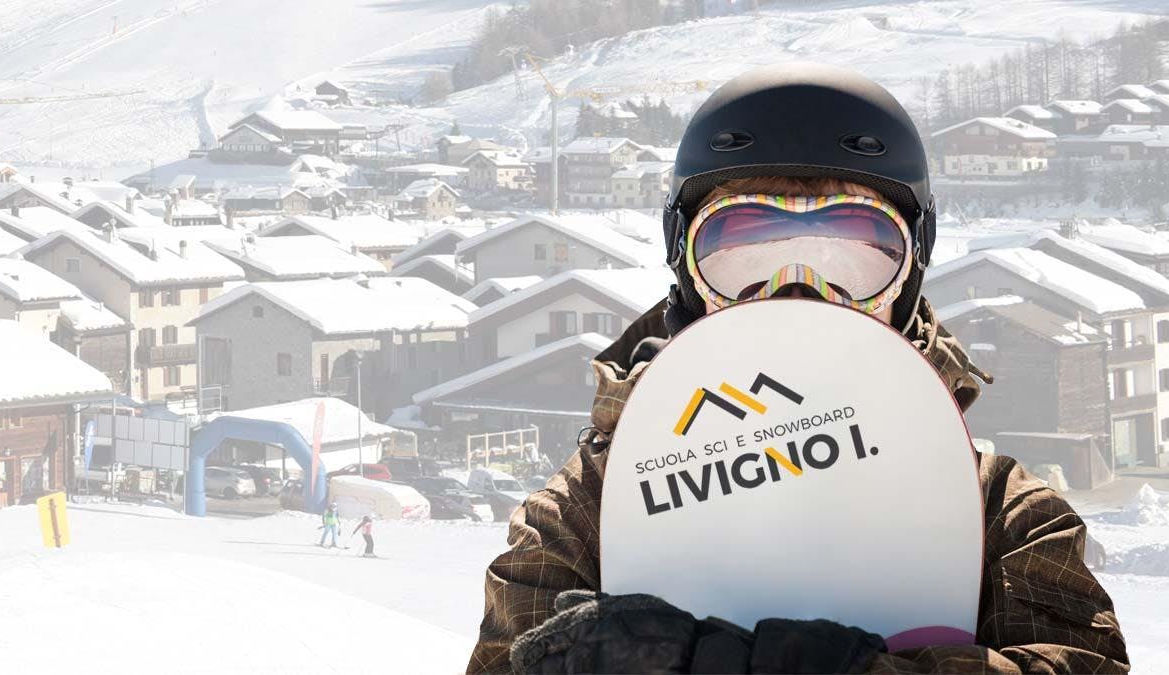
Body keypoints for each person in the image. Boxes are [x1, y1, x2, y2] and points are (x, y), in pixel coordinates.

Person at [467, 63, 1128, 674]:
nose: (797, 293)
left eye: (854, 255)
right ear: (686, 270)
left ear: (911, 271)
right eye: (744, 251)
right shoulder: (587, 507)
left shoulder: (1003, 512)